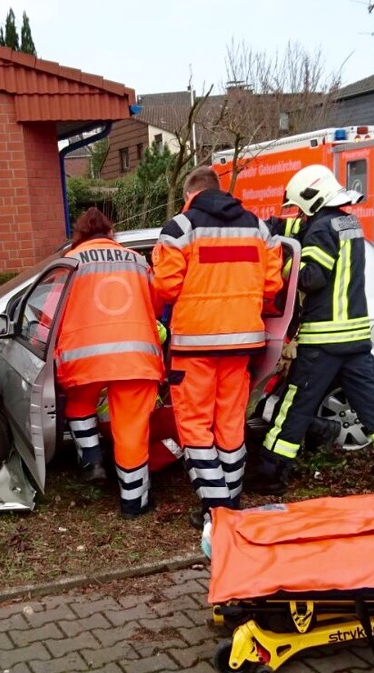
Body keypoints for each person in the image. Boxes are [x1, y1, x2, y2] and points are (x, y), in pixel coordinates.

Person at [258, 164, 374, 494]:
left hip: (323, 341)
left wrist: (280, 263)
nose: (297, 212)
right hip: (355, 339)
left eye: (299, 205)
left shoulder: (321, 229)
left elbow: (313, 277)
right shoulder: (347, 223)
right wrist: (271, 225)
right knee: (373, 406)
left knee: (294, 408)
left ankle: (270, 473)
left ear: (312, 199)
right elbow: (300, 225)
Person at [153, 167, 285, 527]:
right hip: (243, 343)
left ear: (189, 194)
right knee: (230, 423)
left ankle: (216, 508)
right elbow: (272, 285)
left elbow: (164, 288)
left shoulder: (181, 227)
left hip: (194, 345)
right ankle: (233, 497)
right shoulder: (259, 228)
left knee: (196, 426)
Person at [55, 208, 165, 518]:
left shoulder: (71, 263)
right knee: (130, 429)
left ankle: (92, 459)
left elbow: (51, 314)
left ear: (80, 233)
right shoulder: (138, 261)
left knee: (78, 401)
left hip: (85, 357)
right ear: (111, 231)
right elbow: (157, 304)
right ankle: (134, 503)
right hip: (134, 357)